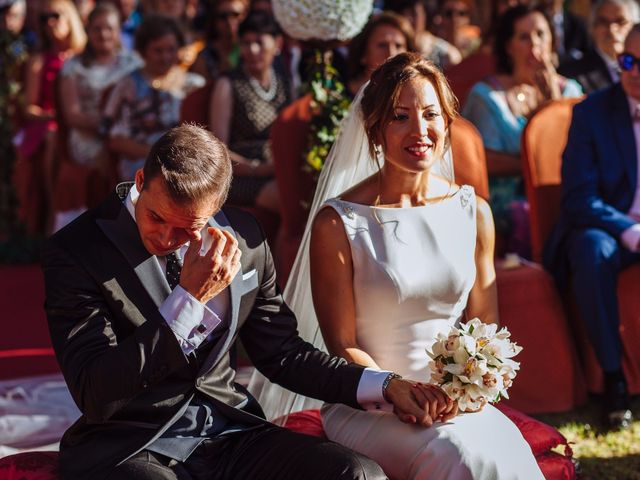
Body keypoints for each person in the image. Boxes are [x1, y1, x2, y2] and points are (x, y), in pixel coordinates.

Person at [43, 123, 447, 479]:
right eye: (156, 218)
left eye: (187, 229)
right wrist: (188, 300)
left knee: (358, 473)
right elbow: (96, 392)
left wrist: (387, 385)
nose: (166, 239)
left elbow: (283, 354)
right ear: (139, 181)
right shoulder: (77, 250)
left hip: (229, 431)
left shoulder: (245, 238)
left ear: (216, 210)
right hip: (132, 443)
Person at [252, 51, 543, 479]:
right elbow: (341, 343)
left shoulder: (473, 211)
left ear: (447, 122)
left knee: (503, 449)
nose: (420, 130)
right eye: (400, 117)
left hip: (457, 401)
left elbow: (485, 327)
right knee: (457, 455)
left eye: (431, 114)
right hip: (369, 405)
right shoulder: (339, 222)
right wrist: (395, 391)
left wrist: (474, 387)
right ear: (374, 131)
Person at [544, 24, 640, 431]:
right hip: (610, 230)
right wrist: (629, 229)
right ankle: (613, 379)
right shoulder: (591, 112)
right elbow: (579, 197)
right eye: (629, 60)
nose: (635, 70)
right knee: (590, 248)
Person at [462, 5, 582, 256]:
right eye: (524, 37)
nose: (534, 44)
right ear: (508, 46)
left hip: (565, 192)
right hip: (506, 201)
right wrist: (531, 165)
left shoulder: (570, 91)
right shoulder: (487, 96)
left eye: (541, 34)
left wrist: (553, 105)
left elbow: (584, 149)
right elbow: (483, 160)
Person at [56, 3, 141, 229]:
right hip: (88, 136)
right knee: (114, 152)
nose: (103, 34)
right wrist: (106, 128)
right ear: (88, 30)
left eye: (109, 28)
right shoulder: (73, 66)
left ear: (118, 30)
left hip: (128, 131)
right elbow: (72, 115)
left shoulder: (133, 63)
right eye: (97, 28)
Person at [104, 14, 204, 181]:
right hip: (143, 164)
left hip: (189, 163)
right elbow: (116, 140)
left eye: (171, 49)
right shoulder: (128, 86)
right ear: (143, 52)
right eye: (158, 51)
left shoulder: (194, 85)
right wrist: (158, 154)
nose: (165, 57)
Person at [14, 0, 86, 234]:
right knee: (54, 138)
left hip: (81, 123)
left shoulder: (85, 57)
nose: (50, 23)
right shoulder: (38, 60)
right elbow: (29, 108)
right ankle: (52, 214)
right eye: (44, 18)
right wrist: (57, 116)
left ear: (70, 18)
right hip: (48, 124)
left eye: (55, 15)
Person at [209, 11, 289, 213]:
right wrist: (256, 169)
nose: (252, 50)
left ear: (277, 44)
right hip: (240, 175)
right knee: (286, 198)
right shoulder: (228, 84)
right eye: (245, 43)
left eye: (260, 42)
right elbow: (218, 149)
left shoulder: (283, 80)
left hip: (277, 168)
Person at [559, 0, 638, 94]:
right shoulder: (571, 74)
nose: (611, 29)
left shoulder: (636, 67)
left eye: (620, 21)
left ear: (635, 27)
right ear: (592, 28)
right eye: (603, 22)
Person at [346, 11, 415, 97]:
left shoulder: (414, 96)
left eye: (398, 46)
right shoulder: (335, 96)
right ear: (363, 53)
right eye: (382, 45)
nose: (391, 53)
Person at [384, 0, 461, 70]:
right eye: (404, 13)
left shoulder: (447, 56)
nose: (409, 19)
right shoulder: (392, 49)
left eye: (414, 13)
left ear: (425, 15)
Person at [537, 0, 591, 67]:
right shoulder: (531, 22)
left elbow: (589, 55)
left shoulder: (577, 24)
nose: (548, 1)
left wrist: (561, 59)